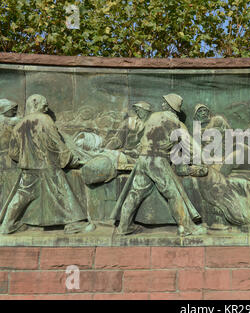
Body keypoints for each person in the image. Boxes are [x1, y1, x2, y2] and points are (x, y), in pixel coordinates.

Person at [0, 94, 93, 234]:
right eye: (44, 105)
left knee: (22, 195)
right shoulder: (45, 119)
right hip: (48, 165)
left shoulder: (19, 124)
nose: (47, 108)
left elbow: (13, 153)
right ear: (36, 105)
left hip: (28, 167)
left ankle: (6, 225)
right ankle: (74, 223)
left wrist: (27, 158)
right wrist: (68, 159)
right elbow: (57, 143)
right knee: (62, 191)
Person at [115, 94, 206, 236]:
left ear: (167, 105)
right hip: (157, 160)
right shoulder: (175, 122)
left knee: (135, 193)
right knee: (173, 194)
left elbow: (144, 139)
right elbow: (188, 145)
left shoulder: (153, 117)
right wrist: (198, 161)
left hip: (143, 159)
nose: (162, 104)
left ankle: (123, 227)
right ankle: (187, 227)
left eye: (164, 102)